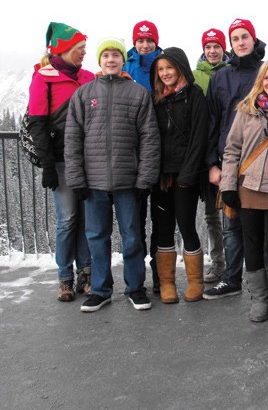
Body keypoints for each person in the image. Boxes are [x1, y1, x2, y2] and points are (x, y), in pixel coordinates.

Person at [63, 37, 160, 312]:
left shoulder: (137, 93)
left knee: (132, 236)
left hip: (128, 181)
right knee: (96, 236)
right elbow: (72, 140)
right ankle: (101, 289)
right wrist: (77, 179)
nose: (110, 60)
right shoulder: (84, 94)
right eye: (105, 56)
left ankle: (135, 287)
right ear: (100, 60)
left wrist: (145, 179)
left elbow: (149, 138)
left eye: (115, 55)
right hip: (93, 182)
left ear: (122, 59)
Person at [220, 59, 268, 323]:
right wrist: (228, 185)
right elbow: (231, 150)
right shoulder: (246, 110)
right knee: (252, 246)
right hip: (247, 189)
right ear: (260, 81)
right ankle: (260, 299)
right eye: (267, 78)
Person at [27, 22, 94, 302]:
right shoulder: (44, 77)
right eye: (79, 49)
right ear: (64, 50)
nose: (83, 53)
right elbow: (38, 124)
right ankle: (65, 277)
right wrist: (47, 165)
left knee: (87, 219)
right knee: (68, 219)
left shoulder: (89, 76)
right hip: (61, 161)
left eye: (84, 48)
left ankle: (87, 273)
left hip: (89, 158)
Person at [204, 18, 266, 300]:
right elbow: (211, 122)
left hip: (262, 159)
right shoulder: (220, 77)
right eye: (236, 39)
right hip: (229, 161)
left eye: (245, 37)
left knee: (261, 225)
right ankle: (232, 279)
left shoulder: (266, 71)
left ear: (254, 39)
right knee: (231, 225)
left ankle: (264, 284)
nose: (241, 42)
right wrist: (212, 163)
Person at [150, 47, 209, 303]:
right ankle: (167, 284)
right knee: (163, 228)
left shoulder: (195, 96)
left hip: (186, 175)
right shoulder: (156, 99)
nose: (165, 74)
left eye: (169, 68)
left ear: (180, 68)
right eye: (161, 69)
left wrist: (188, 174)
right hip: (162, 176)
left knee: (186, 226)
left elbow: (199, 138)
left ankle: (196, 282)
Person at [125, 20, 163, 291]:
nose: (145, 44)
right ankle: (136, 281)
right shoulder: (126, 66)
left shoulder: (164, 66)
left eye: (149, 40)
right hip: (130, 156)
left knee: (161, 220)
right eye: (140, 40)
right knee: (134, 222)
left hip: (160, 152)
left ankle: (161, 276)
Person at [193, 28, 229, 284]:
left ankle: (237, 263)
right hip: (204, 152)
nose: (213, 51)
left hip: (227, 150)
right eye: (208, 47)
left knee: (231, 213)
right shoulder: (195, 76)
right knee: (211, 215)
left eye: (217, 46)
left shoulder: (231, 73)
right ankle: (218, 263)